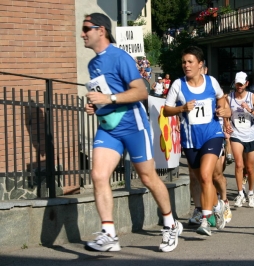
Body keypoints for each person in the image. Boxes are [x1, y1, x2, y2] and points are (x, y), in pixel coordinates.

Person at [81, 13, 182, 253]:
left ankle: (170, 223)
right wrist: (96, 104)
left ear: (101, 30)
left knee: (147, 178)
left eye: (87, 28)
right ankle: (109, 234)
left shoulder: (120, 57)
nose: (83, 33)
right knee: (98, 175)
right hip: (109, 128)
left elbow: (141, 92)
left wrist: (109, 98)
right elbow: (105, 93)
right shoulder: (92, 64)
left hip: (133, 126)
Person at [163, 46, 231, 236]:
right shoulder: (178, 84)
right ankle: (216, 205)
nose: (186, 65)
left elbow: (221, 99)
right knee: (199, 177)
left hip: (212, 134)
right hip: (191, 140)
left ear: (200, 64)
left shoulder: (211, 82)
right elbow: (167, 110)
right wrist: (182, 108)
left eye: (190, 61)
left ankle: (205, 219)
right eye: (184, 62)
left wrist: (224, 113)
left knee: (205, 175)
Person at [225, 71, 254, 209]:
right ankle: (240, 193)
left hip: (251, 135)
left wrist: (250, 110)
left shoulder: (252, 97)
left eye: (241, 84)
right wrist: (226, 124)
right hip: (236, 134)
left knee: (250, 167)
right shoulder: (229, 97)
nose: (239, 86)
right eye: (237, 84)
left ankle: (251, 193)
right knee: (239, 165)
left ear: (247, 83)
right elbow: (223, 110)